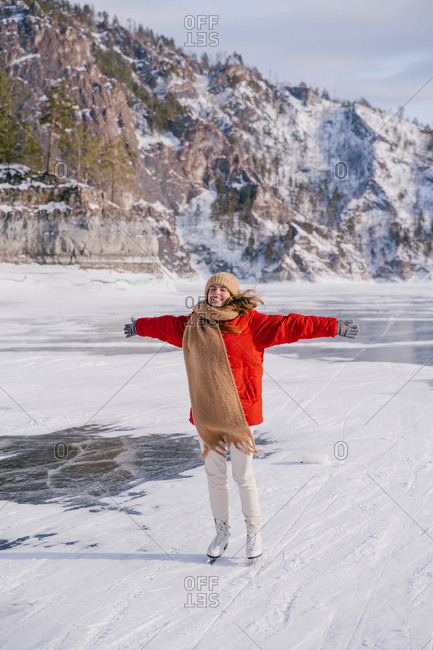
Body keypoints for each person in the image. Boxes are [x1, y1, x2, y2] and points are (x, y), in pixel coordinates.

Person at [124, 272, 360, 561]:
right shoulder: (193, 324)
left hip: (240, 413)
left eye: (223, 289)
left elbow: (293, 325)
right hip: (206, 413)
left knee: (243, 476)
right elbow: (163, 325)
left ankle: (253, 532)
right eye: (213, 288)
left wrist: (334, 326)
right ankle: (222, 531)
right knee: (214, 476)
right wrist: (138, 326)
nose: (217, 292)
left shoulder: (252, 323)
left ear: (232, 295)